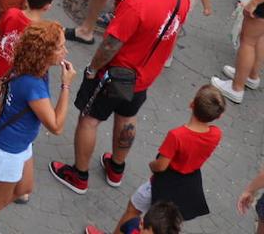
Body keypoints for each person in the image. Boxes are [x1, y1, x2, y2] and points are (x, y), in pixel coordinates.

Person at [51, 0, 190, 195]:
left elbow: (110, 45)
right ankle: (116, 167)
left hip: (114, 74)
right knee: (127, 116)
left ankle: (79, 175)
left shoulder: (138, 4)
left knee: (88, 119)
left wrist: (92, 70)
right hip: (144, 76)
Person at [0, 22, 75, 234]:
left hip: (20, 144)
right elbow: (57, 126)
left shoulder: (32, 66)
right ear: (45, 52)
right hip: (7, 149)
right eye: (60, 47)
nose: (65, 51)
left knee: (24, 188)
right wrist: (66, 85)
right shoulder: (32, 83)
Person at [87, 85, 225, 234]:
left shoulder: (177, 136)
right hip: (186, 186)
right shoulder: (216, 134)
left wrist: (152, 164)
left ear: (192, 104)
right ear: (218, 116)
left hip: (162, 183)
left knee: (134, 209)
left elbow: (161, 166)